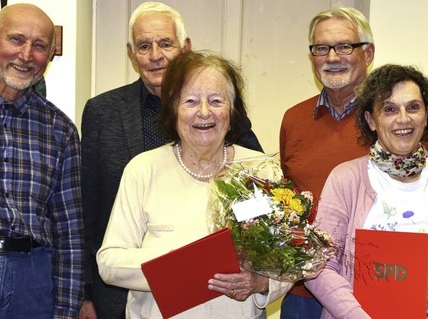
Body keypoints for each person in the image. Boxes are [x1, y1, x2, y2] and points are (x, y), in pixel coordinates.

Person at [80, 3, 263, 318]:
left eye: (165, 43)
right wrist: (83, 294)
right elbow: (87, 209)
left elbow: (266, 210)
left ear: (185, 47)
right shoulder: (104, 114)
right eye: (144, 46)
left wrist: (262, 280)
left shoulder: (251, 159)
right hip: (131, 297)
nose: (155, 55)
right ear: (131, 52)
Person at [96, 50, 291, 319]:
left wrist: (261, 283)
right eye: (190, 101)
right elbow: (109, 263)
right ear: (173, 108)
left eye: (216, 101)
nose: (203, 112)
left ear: (232, 111)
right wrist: (176, 263)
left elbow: (289, 257)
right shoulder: (143, 169)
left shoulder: (262, 170)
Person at [278, 7, 428, 317]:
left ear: (367, 53)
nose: (332, 57)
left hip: (382, 291)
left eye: (344, 46)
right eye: (321, 48)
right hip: (302, 291)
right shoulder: (294, 119)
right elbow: (287, 201)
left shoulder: (400, 125)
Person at [303, 64, 428, 319]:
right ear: (371, 120)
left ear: (426, 117)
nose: (403, 119)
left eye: (414, 107)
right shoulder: (346, 179)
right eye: (390, 109)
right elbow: (318, 266)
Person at [0, 3, 83, 318]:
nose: (26, 55)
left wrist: (65, 311)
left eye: (40, 46)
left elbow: (69, 234)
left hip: (32, 279)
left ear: (50, 55)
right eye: (16, 40)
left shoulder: (62, 131)